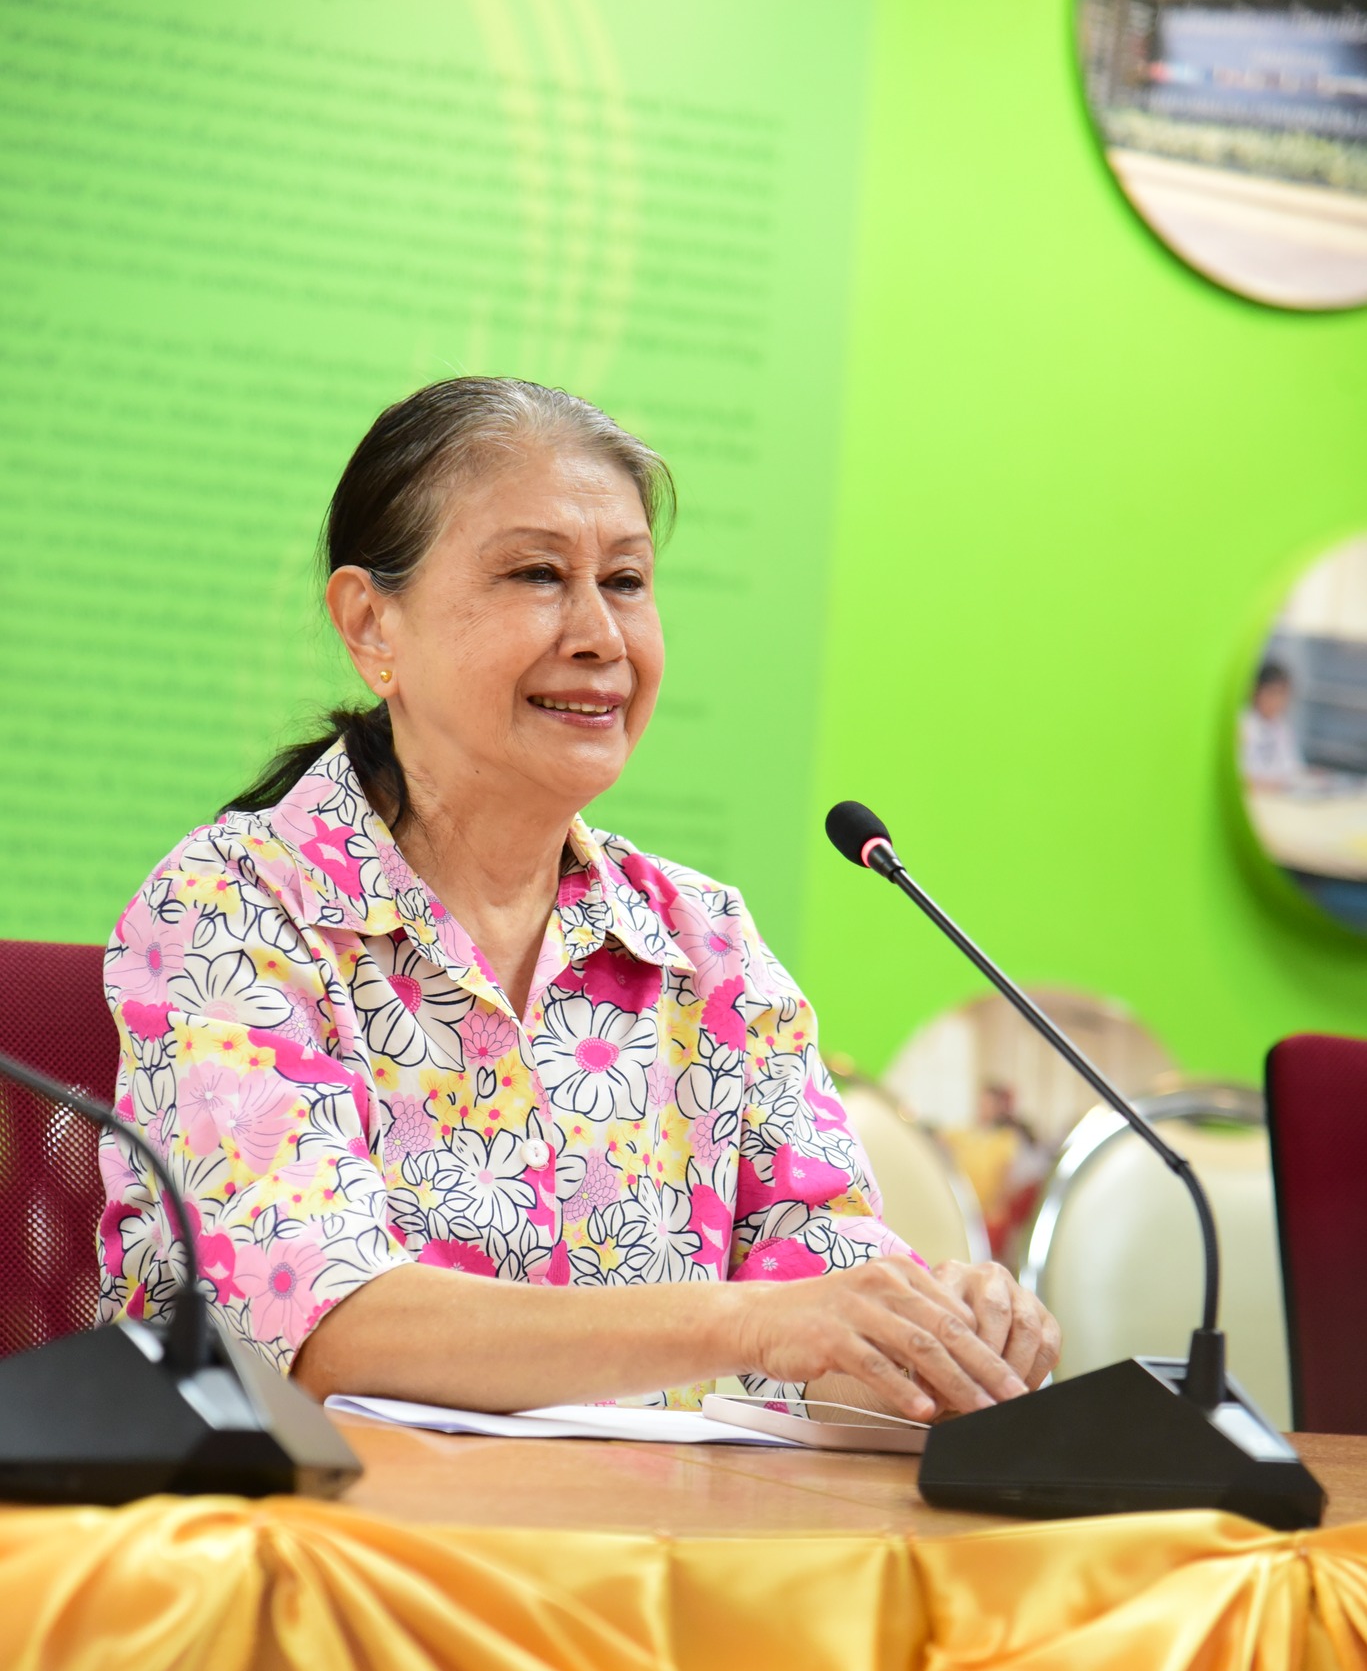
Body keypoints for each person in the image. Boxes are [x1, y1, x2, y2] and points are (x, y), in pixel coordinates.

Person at [97, 378, 1060, 1422]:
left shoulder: (705, 944)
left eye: (627, 580)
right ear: (372, 625)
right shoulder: (232, 906)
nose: (602, 634)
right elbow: (326, 1324)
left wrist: (930, 1337)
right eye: (537, 574)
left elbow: (818, 1294)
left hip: (648, 1525)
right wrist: (747, 1321)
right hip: (323, 1521)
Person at [1239, 661, 1304, 790]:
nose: (1277, 701)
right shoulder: (1243, 724)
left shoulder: (1281, 727)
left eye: (1282, 694)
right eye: (1272, 693)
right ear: (1255, 692)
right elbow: (1239, 777)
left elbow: (1293, 769)